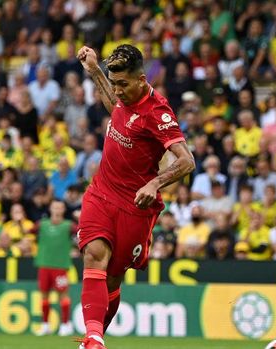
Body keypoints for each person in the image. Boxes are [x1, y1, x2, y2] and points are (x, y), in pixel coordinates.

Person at [75, 44, 195, 349]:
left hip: (134, 206)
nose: (118, 91)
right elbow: (112, 105)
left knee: (112, 280)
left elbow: (186, 160)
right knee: (93, 256)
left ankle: (95, 335)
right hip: (101, 192)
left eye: (123, 84)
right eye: (115, 84)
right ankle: (93, 339)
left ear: (142, 79)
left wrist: (155, 184)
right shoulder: (121, 95)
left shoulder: (158, 112)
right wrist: (94, 71)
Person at [35, 200, 75, 337]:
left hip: (61, 266)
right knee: (44, 296)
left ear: (63, 210)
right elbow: (27, 231)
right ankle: (45, 325)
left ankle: (65, 325)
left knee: (63, 295)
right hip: (44, 264)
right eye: (55, 207)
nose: (57, 210)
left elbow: (82, 230)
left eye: (60, 207)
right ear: (50, 209)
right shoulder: (42, 224)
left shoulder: (69, 226)